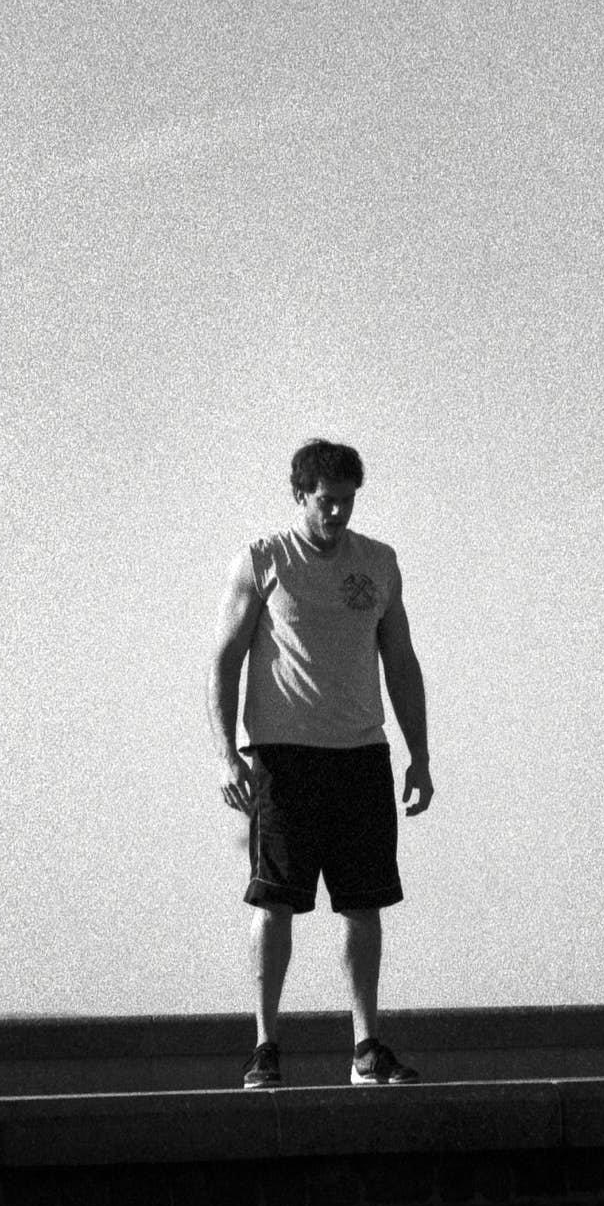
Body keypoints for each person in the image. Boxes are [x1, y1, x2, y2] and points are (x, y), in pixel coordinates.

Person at [207, 438, 434, 1090]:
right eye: (326, 502)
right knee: (275, 902)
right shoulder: (263, 560)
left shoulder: (380, 563)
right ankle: (265, 1047)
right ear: (301, 496)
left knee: (364, 904)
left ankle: (366, 1048)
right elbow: (223, 662)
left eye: (347, 502)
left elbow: (402, 661)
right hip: (284, 758)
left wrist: (420, 756)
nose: (337, 514)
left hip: (361, 754)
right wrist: (227, 757)